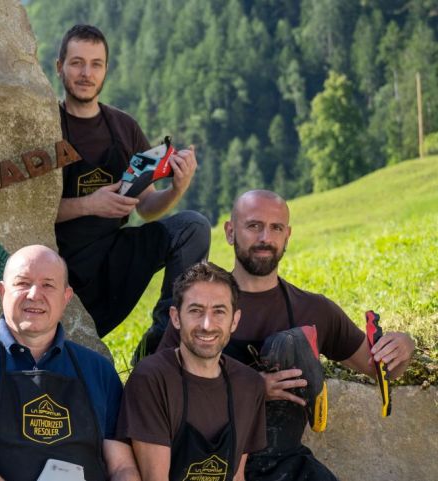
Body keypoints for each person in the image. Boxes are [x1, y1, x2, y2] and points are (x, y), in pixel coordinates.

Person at [158, 190, 416, 480]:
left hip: (285, 465)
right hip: (208, 466)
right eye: (254, 226)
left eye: (276, 228)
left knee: (290, 342)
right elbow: (159, 391)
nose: (265, 238)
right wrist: (250, 388)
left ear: (287, 235)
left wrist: (404, 346)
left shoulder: (314, 309)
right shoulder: (200, 309)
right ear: (231, 232)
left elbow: (379, 369)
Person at [53, 24, 211, 353]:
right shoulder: (46, 125)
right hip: (58, 262)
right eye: (77, 62)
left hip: (113, 256)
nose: (86, 73)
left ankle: (164, 341)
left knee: (192, 227)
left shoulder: (124, 128)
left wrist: (176, 189)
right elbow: (25, 210)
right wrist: (90, 204)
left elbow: (146, 206)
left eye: (96, 64)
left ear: (106, 70)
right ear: (59, 67)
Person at [0, 245, 140, 481]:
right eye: (23, 283)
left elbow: (122, 468)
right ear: (3, 291)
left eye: (48, 285)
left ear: (66, 297)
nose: (34, 294)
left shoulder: (98, 370)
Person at [118, 262, 266, 481]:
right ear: (176, 317)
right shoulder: (152, 378)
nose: (207, 325)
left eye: (219, 311)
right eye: (196, 311)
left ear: (234, 320)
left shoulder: (249, 385)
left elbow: (237, 476)